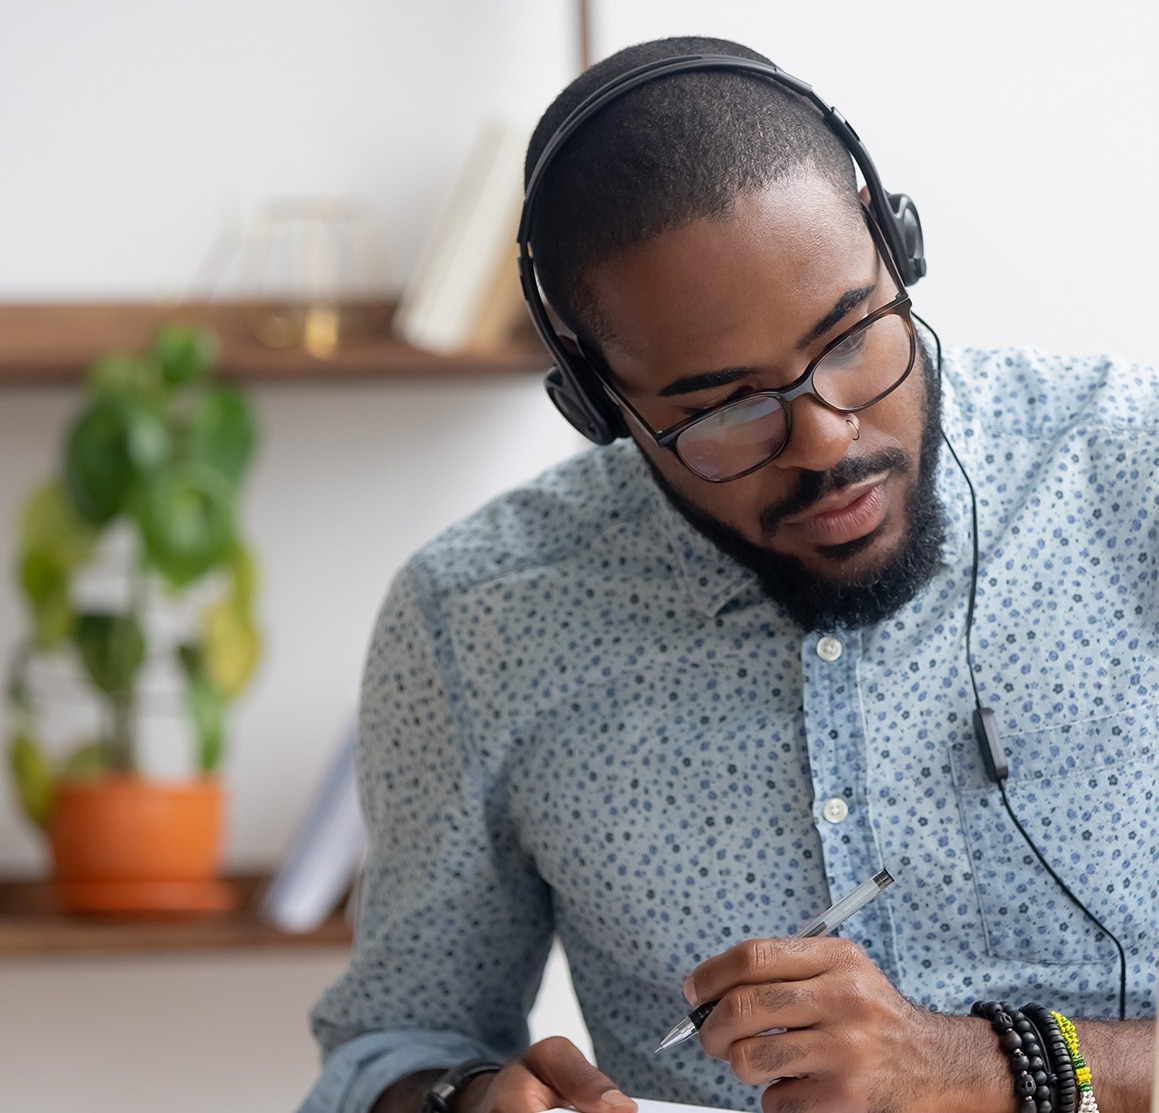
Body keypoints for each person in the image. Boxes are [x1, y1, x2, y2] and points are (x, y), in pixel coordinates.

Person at [298, 35, 1158, 1113]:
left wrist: (982, 1068)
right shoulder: (472, 621)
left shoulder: (1137, 474)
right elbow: (389, 1047)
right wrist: (460, 1103)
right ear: (598, 399)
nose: (826, 439)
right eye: (722, 406)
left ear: (892, 242)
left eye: (850, 337)